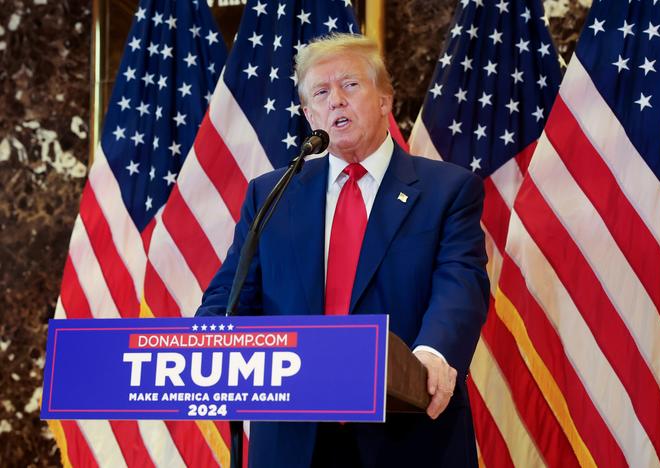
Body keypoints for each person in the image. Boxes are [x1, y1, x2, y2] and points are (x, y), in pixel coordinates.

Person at [197, 33, 489, 468]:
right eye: (320, 92)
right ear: (308, 113)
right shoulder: (271, 194)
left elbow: (460, 284)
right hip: (293, 440)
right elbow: (230, 294)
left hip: (407, 432)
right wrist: (203, 346)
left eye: (350, 85)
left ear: (385, 100)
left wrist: (431, 354)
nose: (335, 100)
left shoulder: (447, 190)